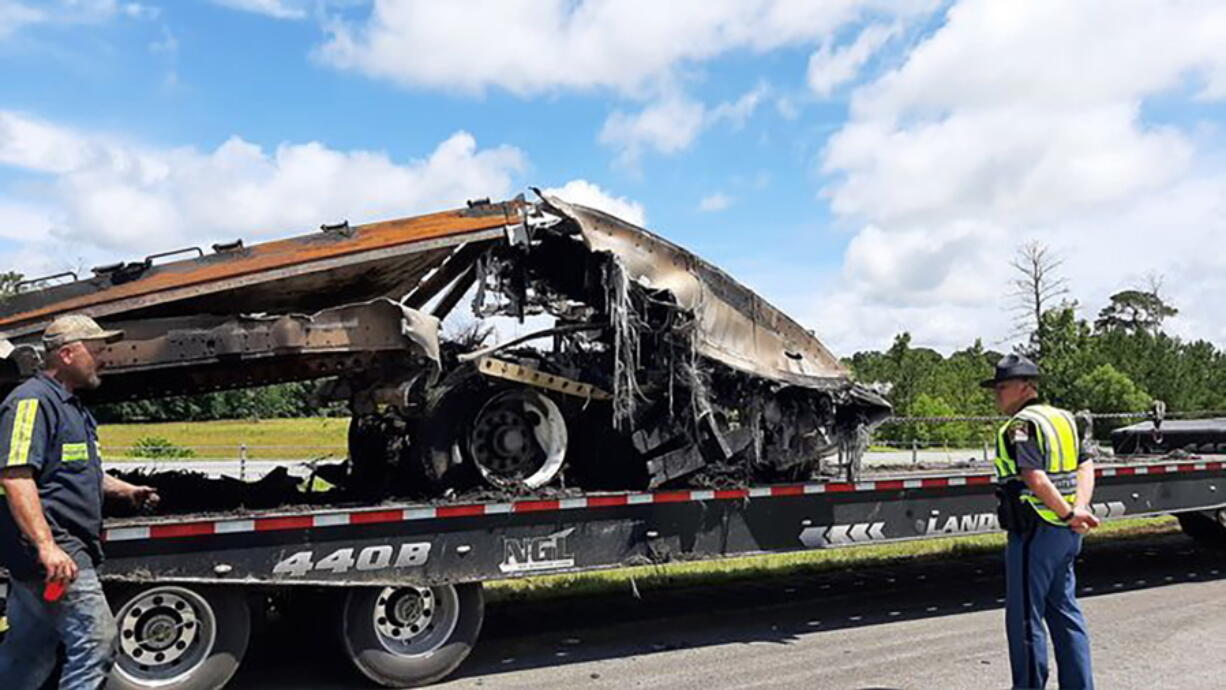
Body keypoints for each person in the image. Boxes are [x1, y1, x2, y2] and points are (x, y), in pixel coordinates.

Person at [0, 314, 159, 690]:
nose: (104, 358)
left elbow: (75, 471)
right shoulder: (30, 403)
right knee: (97, 645)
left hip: (61, 548)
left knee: (31, 648)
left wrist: (125, 489)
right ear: (68, 354)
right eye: (97, 350)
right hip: (56, 552)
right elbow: (14, 475)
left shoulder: (72, 407)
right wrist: (47, 546)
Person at [983, 354, 1099, 690]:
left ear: (1026, 387)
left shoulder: (1022, 426)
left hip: (1035, 532)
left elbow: (1034, 477)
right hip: (1066, 533)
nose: (997, 395)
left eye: (1002, 387)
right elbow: (1085, 466)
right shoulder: (1065, 419)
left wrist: (1067, 512)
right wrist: (1079, 509)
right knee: (1065, 613)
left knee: (1024, 620)